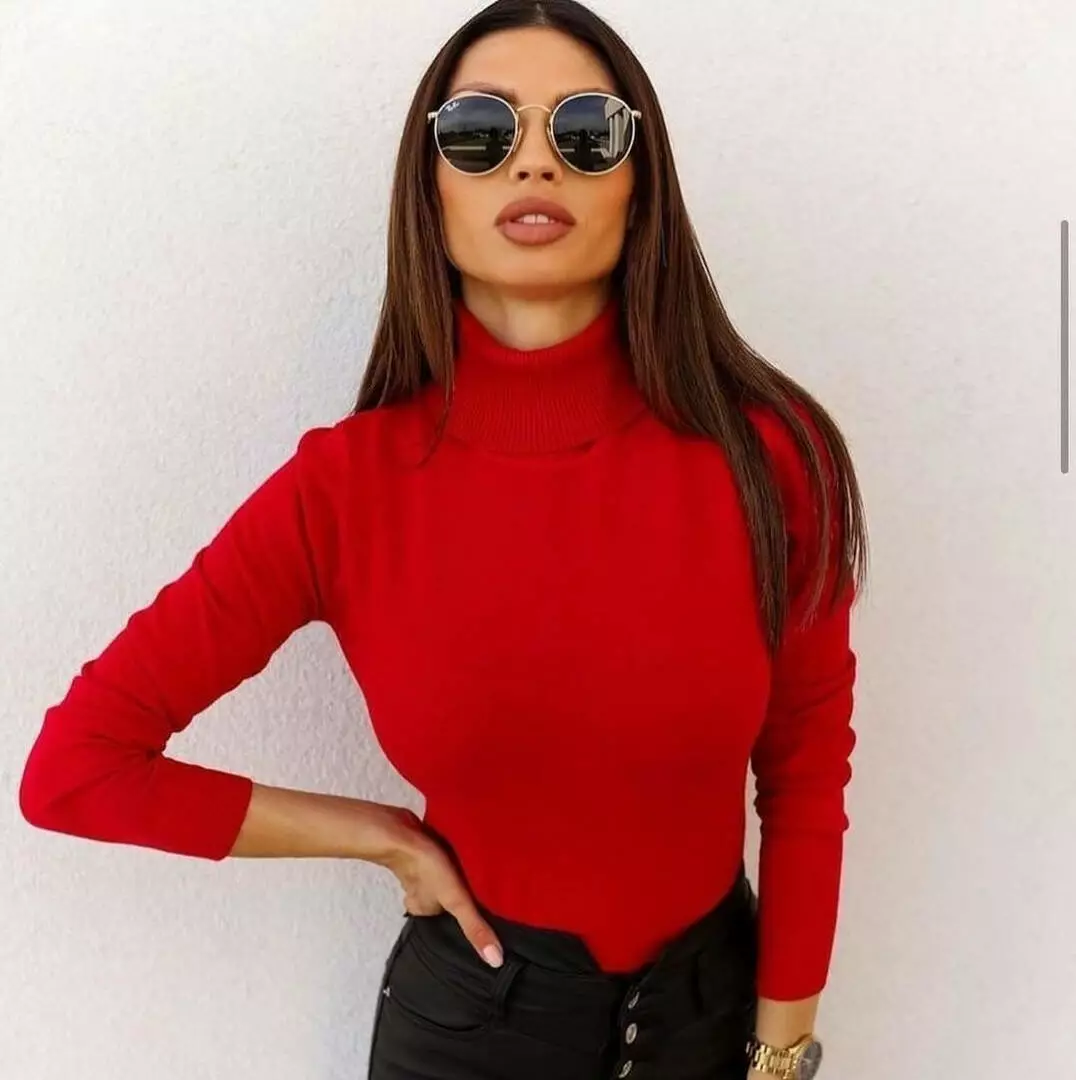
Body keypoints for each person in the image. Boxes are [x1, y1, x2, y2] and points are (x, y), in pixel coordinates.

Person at [18, 1, 868, 1078]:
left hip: (714, 1025)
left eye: (585, 131)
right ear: (430, 189)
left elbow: (804, 776)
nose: (534, 163)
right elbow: (75, 771)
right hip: (467, 1035)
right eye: (480, 132)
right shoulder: (345, 488)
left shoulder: (771, 456)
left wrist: (780, 1057)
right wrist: (380, 834)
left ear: (638, 184)